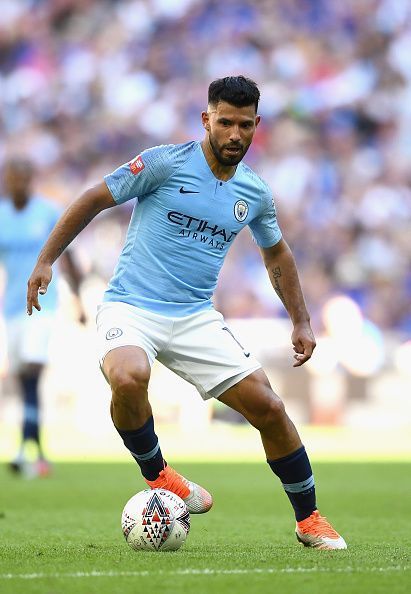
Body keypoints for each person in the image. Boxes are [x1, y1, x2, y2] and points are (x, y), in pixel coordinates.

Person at [27, 76, 346, 549]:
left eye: (244, 125)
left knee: (271, 409)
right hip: (131, 306)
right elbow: (95, 198)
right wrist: (47, 259)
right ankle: (159, 474)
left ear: (257, 125)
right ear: (207, 120)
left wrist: (300, 318)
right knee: (129, 376)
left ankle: (310, 520)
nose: (234, 134)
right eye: (225, 123)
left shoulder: (255, 193)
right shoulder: (164, 163)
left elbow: (277, 254)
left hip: (195, 316)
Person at [0, 157, 85, 477]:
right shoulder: (2, 216)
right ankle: (38, 450)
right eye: (11, 178)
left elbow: (70, 256)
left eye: (22, 178)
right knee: (23, 378)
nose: (16, 184)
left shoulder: (46, 213)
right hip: (11, 309)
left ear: (30, 179)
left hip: (43, 306)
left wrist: (79, 299)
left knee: (33, 371)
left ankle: (25, 449)